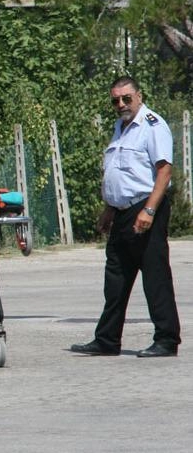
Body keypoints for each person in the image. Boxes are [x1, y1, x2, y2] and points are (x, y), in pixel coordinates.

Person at [72, 76, 180, 358]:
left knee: (154, 276)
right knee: (116, 277)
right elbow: (119, 171)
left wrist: (149, 210)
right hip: (121, 212)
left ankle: (166, 340)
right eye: (115, 100)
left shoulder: (153, 126)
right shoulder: (119, 127)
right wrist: (109, 209)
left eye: (126, 98)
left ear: (139, 96)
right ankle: (107, 339)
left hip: (145, 208)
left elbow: (165, 171)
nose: (120, 104)